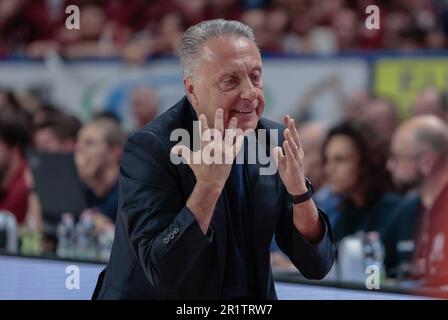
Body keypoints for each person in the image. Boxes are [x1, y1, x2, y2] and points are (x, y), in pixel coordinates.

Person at [93, 19, 335, 300]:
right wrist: (208, 186)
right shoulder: (151, 148)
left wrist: (300, 194)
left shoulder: (274, 142)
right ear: (192, 90)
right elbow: (161, 270)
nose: (250, 93)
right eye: (230, 81)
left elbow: (318, 265)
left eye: (255, 76)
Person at [384, 116, 448, 287]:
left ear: (427, 162)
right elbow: (377, 265)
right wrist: (373, 289)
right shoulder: (406, 210)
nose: (389, 165)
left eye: (396, 157)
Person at [319, 120, 401, 244]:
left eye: (340, 160)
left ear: (366, 161)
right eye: (327, 160)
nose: (328, 169)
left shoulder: (392, 209)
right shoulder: (346, 212)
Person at [74, 117, 125, 234]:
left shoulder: (129, 191)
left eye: (89, 143)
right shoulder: (81, 187)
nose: (79, 148)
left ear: (113, 152)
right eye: (78, 142)